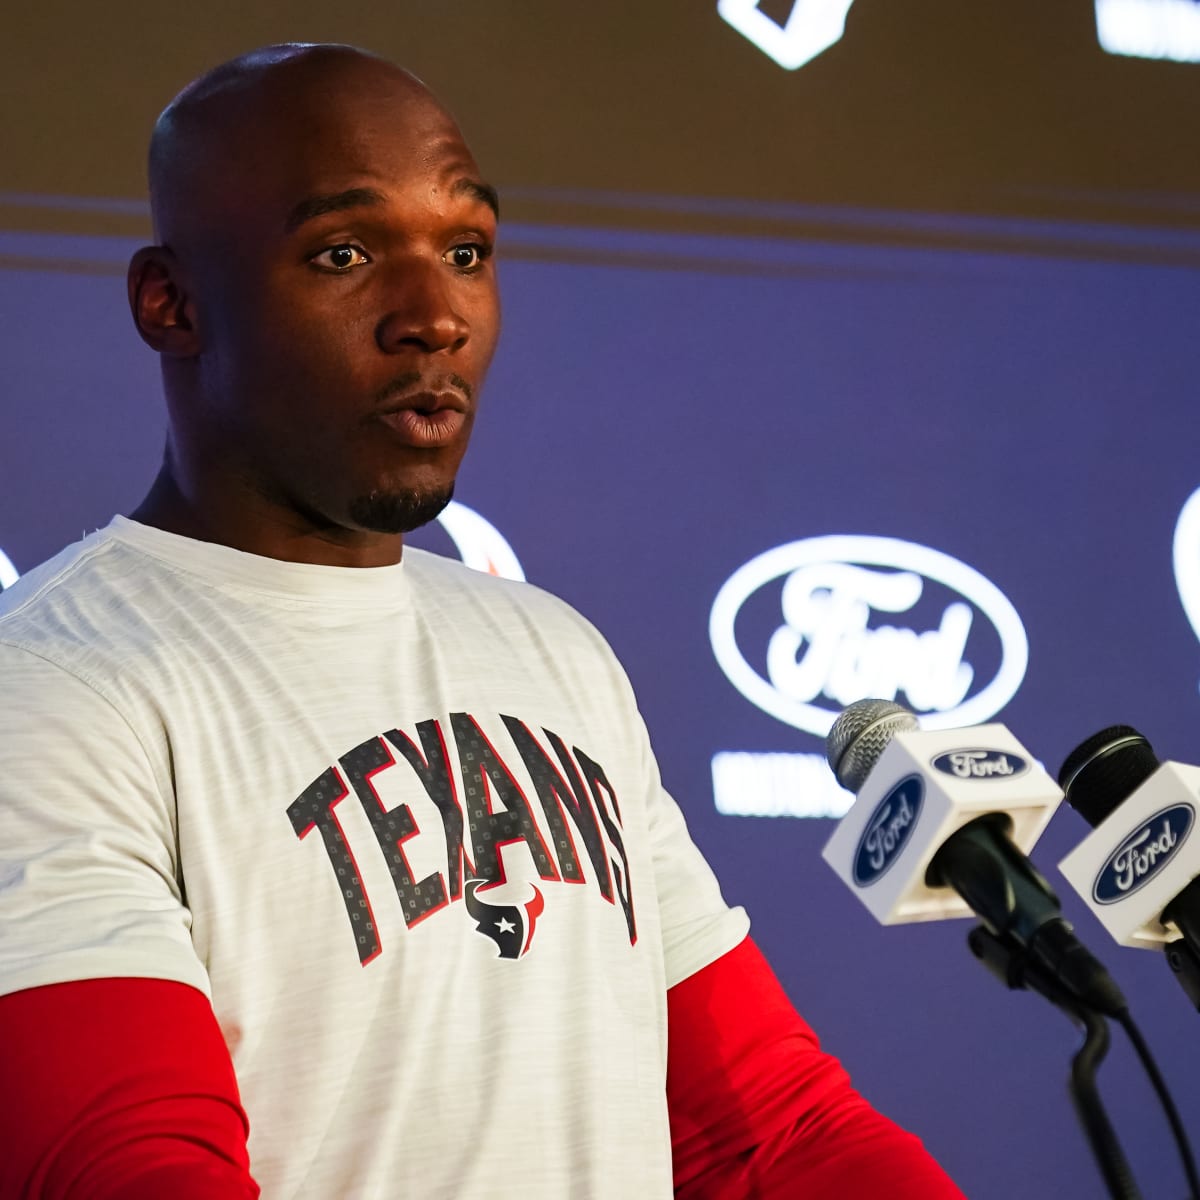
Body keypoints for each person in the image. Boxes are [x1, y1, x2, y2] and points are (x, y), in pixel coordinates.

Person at [0, 43, 966, 1199]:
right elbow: (126, 1165)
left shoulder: (552, 652)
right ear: (172, 303)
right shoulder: (54, 685)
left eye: (465, 251)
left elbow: (768, 1134)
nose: (433, 317)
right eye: (345, 254)